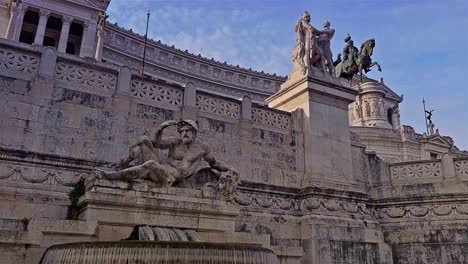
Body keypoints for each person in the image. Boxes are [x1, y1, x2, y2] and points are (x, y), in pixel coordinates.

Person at [96, 120, 234, 186]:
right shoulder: (175, 141)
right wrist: (161, 128)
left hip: (170, 177)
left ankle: (111, 176)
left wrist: (230, 169)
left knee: (150, 164)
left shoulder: (202, 149)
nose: (184, 134)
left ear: (194, 132)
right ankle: (120, 165)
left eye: (187, 131)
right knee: (144, 140)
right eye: (182, 131)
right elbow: (156, 143)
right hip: (160, 169)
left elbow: (214, 163)